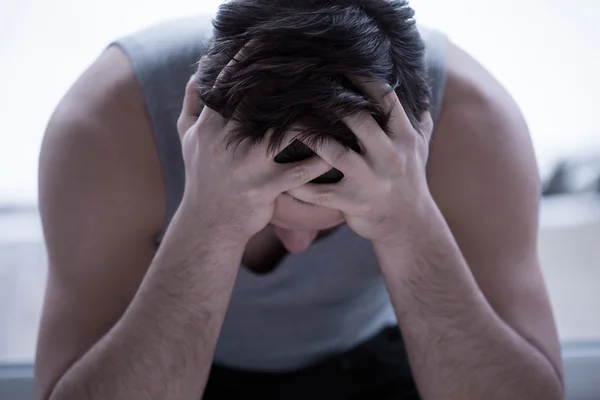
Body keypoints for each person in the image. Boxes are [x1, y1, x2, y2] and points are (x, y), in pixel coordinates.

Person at [34, 0, 564, 399]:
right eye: (264, 216)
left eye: (341, 222)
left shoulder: (475, 124)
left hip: (380, 352)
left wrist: (409, 223)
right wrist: (208, 224)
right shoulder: (106, 127)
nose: (299, 245)